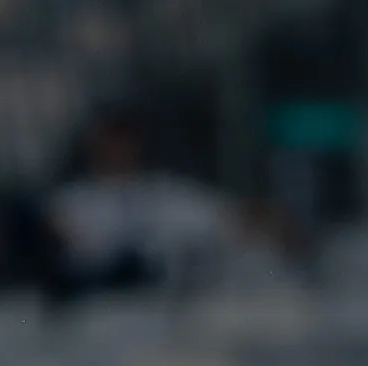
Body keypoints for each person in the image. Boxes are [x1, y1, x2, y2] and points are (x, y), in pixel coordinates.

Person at [46, 108, 233, 296]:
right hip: (95, 299)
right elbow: (72, 245)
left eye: (123, 142)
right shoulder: (72, 200)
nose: (117, 150)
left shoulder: (165, 191)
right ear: (94, 145)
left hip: (158, 296)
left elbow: (218, 215)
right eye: (110, 142)